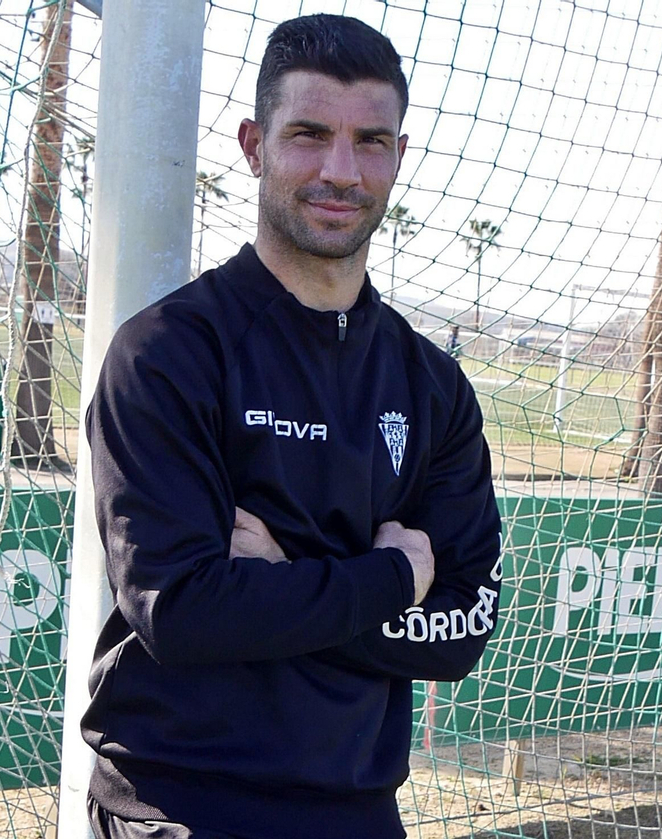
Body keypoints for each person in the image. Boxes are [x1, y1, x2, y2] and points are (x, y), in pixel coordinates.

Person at [82, 15, 502, 839]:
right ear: (254, 145)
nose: (341, 170)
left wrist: (284, 579)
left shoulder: (432, 387)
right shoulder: (167, 355)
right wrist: (390, 576)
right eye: (309, 134)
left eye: (370, 141)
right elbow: (184, 611)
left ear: (398, 157)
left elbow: (460, 630)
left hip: (358, 810)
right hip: (179, 806)